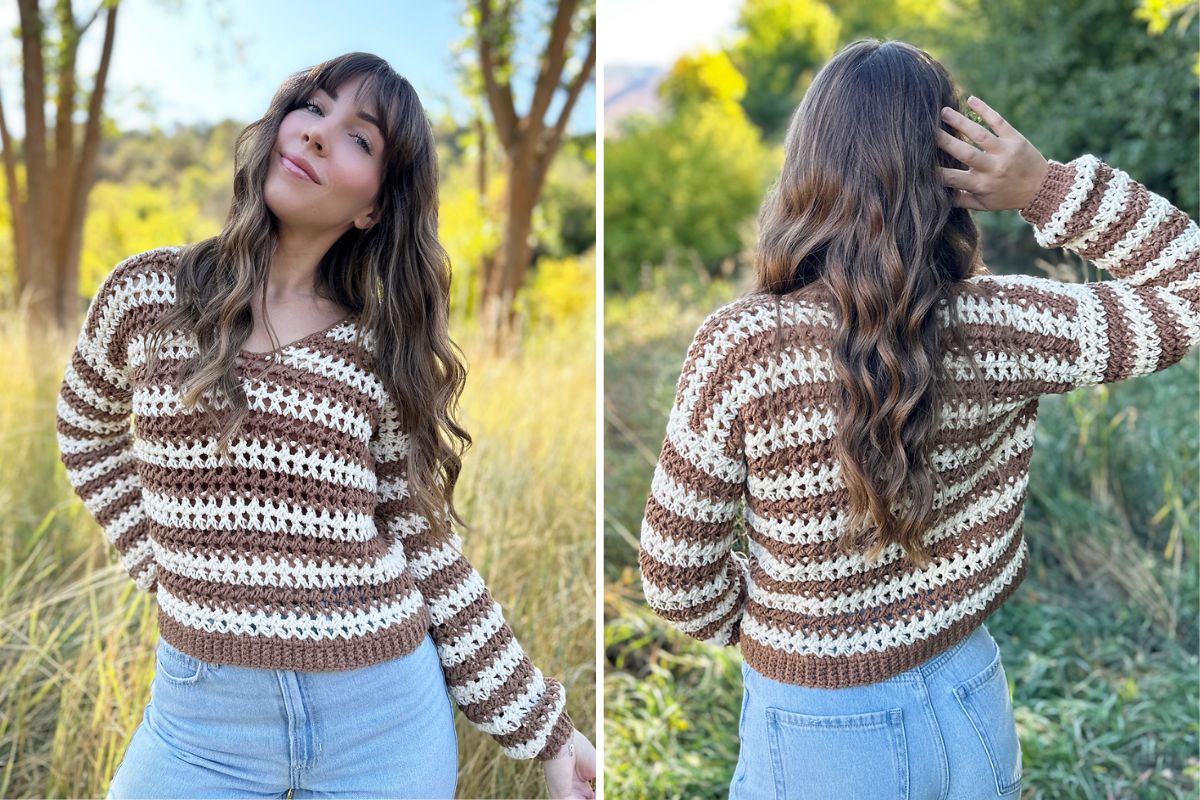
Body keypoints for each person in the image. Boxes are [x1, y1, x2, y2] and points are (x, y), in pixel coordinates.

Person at [637, 38, 1197, 800]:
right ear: (952, 175)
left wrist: (779, 624)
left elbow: (675, 579)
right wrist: (1046, 188)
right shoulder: (1007, 324)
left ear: (807, 168)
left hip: (816, 727)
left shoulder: (742, 348)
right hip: (970, 696)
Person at [56, 52, 596, 800]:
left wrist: (551, 735)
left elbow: (430, 554)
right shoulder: (148, 294)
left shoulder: (377, 354)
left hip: (381, 726)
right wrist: (163, 565)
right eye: (313, 106)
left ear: (373, 206)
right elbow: (84, 434)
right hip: (202, 726)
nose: (316, 133)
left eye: (359, 138)